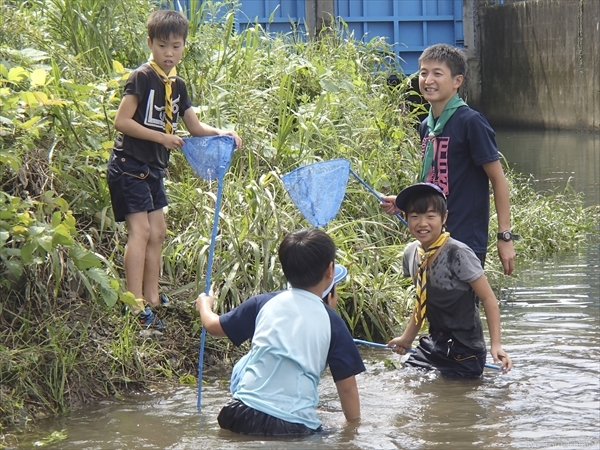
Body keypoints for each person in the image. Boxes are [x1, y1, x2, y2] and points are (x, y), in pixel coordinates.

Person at [106, 10, 242, 328]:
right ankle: (134, 304)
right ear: (151, 43)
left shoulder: (177, 85)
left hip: (152, 169)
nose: (169, 53)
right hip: (129, 165)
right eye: (163, 46)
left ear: (184, 47)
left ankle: (152, 296)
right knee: (140, 231)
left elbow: (193, 125)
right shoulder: (142, 77)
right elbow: (121, 121)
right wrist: (163, 138)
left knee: (159, 232)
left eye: (176, 46)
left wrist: (221, 132)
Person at [195, 228, 364, 436]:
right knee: (329, 431)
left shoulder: (263, 303)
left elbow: (213, 326)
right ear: (330, 270)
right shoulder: (333, 323)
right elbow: (347, 389)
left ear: (285, 270)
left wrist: (205, 304)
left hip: (241, 414)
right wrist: (351, 429)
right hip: (294, 427)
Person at [381, 43, 517, 275]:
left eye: (437, 73)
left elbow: (498, 179)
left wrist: (504, 236)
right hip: (431, 237)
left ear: (457, 81)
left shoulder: (470, 122)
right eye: (423, 73)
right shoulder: (427, 126)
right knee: (433, 307)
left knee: (463, 309)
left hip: (464, 239)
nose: (428, 80)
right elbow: (436, 184)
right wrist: (405, 203)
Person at [387, 183, 512, 378]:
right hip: (434, 345)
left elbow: (488, 299)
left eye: (430, 216)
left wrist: (496, 345)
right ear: (405, 218)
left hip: (466, 351)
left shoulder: (458, 253)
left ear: (444, 217)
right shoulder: (412, 253)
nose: (422, 223)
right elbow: (422, 302)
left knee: (455, 402)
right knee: (405, 383)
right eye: (414, 216)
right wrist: (406, 338)